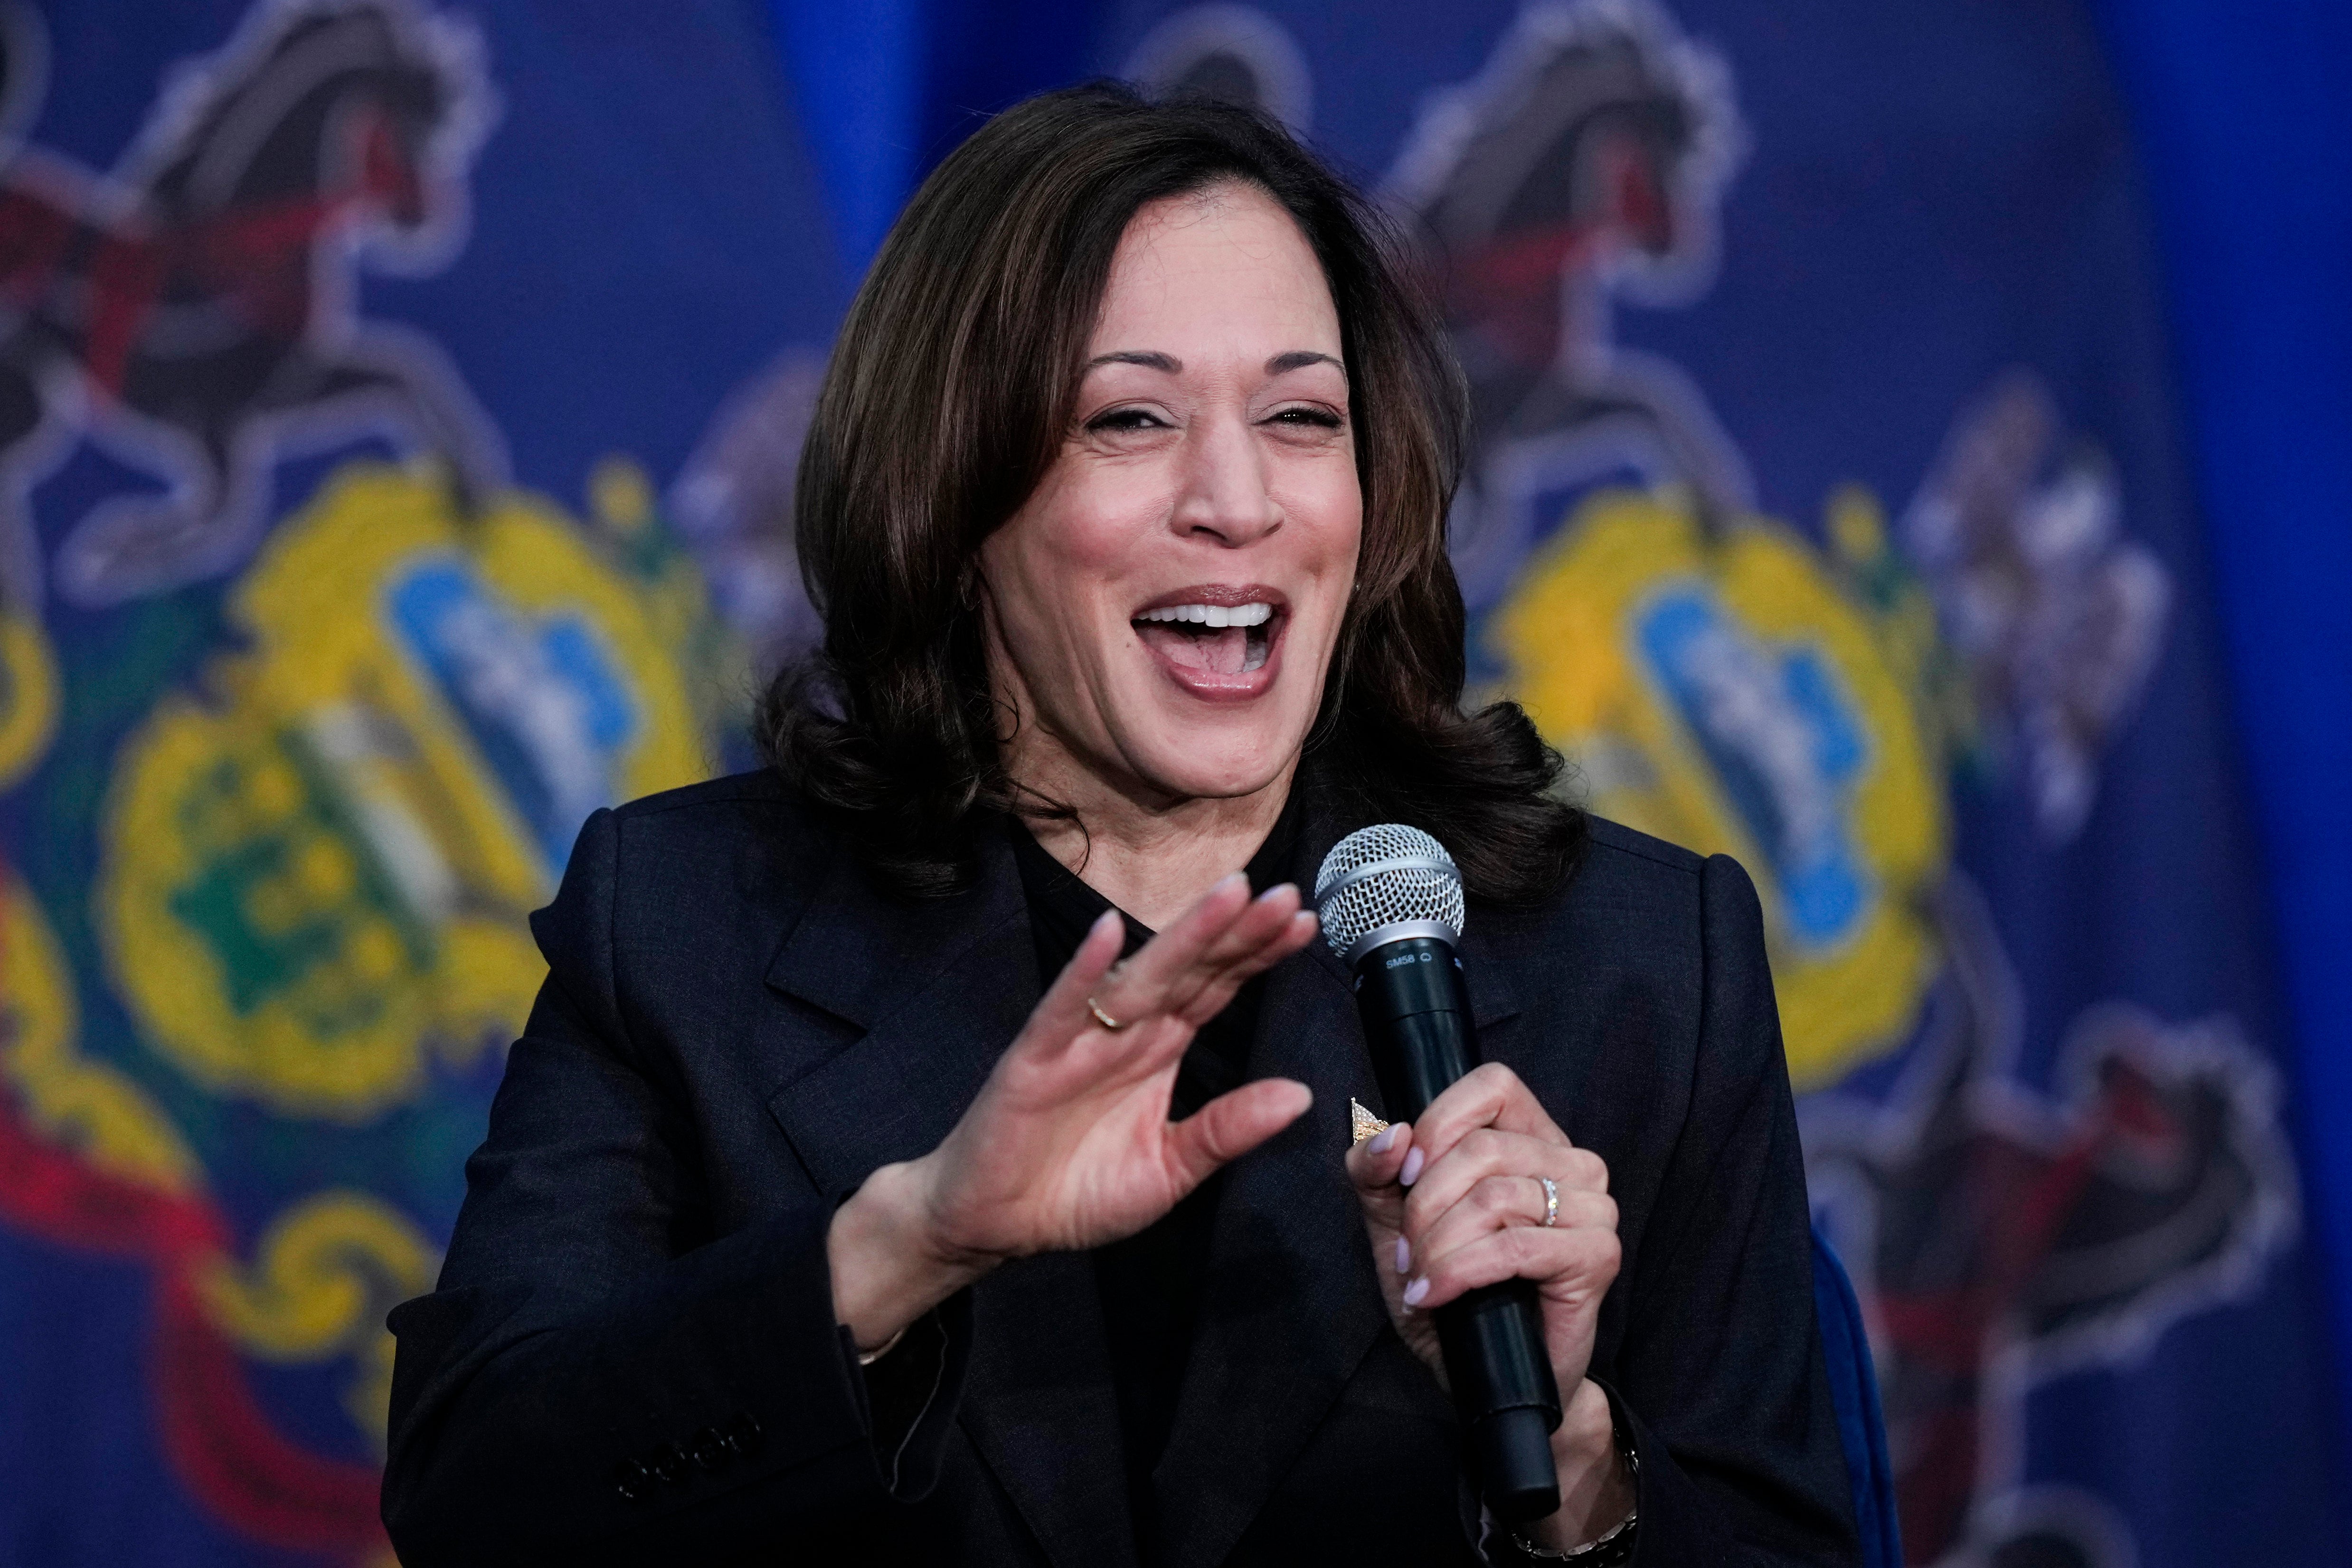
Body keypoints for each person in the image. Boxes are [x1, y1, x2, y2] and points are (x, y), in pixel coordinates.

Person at [381, 85, 1859, 1567]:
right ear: (952, 494)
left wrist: (1576, 1453)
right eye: (1128, 418)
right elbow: (478, 1507)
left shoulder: (1646, 963)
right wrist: (906, 1246)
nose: (1235, 501)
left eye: (1299, 417)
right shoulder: (689, 924)